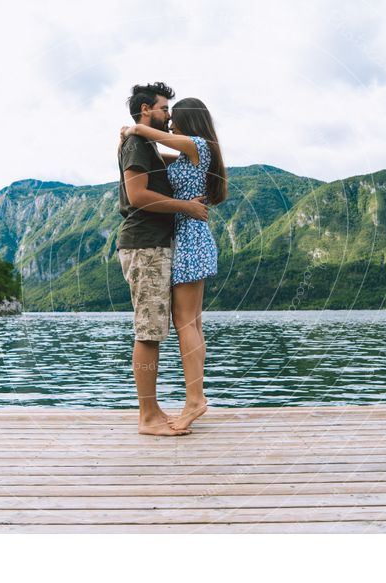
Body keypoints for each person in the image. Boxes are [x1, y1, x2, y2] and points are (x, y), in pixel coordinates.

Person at [120, 96, 228, 431]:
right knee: (191, 322)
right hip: (187, 236)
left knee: (186, 323)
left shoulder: (197, 144)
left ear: (188, 121)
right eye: (165, 113)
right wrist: (134, 139)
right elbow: (160, 155)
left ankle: (195, 399)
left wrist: (135, 128)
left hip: (190, 236)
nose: (169, 121)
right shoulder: (188, 155)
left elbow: (161, 140)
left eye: (173, 116)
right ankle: (195, 397)